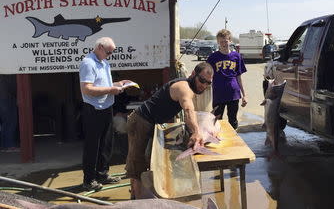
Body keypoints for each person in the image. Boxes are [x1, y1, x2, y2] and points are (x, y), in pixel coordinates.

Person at [125, 62, 213, 199]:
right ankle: (135, 201)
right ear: (193, 74)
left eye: (208, 83)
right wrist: (196, 131)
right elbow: (189, 110)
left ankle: (137, 194)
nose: (204, 85)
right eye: (201, 80)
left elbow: (189, 112)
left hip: (151, 123)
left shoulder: (190, 88)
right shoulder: (184, 88)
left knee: (144, 160)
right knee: (137, 163)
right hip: (140, 121)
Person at [79, 37, 132, 190]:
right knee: (92, 146)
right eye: (109, 52)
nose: (110, 55)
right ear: (100, 47)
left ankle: (102, 174)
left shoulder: (104, 63)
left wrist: (120, 84)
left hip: (106, 108)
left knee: (106, 144)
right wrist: (111, 90)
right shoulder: (88, 63)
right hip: (93, 110)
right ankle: (88, 180)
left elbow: (105, 85)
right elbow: (87, 89)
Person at [207, 29, 247, 129]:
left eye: (226, 41)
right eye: (221, 42)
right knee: (216, 120)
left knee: (232, 120)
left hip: (233, 93)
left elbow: (239, 77)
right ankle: (217, 140)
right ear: (218, 42)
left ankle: (234, 141)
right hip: (218, 93)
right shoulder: (213, 57)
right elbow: (207, 75)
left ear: (230, 41)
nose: (224, 44)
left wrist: (244, 95)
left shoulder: (237, 56)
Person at [0, 75, 18, 152]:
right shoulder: (7, 73)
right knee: (10, 122)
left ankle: (4, 146)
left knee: (6, 123)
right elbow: (12, 87)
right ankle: (9, 146)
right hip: (6, 98)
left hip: (5, 97)